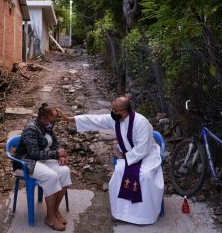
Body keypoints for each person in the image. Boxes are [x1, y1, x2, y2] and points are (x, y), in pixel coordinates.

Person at [59, 96, 164, 225]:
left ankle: (145, 216)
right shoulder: (115, 118)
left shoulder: (141, 122)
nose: (112, 113)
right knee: (119, 173)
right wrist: (70, 119)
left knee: (145, 176)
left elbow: (144, 148)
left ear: (125, 112)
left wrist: (125, 156)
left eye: (115, 110)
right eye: (112, 109)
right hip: (127, 155)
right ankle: (122, 213)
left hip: (146, 156)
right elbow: (95, 119)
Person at [14, 103, 71, 231]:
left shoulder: (47, 126)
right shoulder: (31, 129)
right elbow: (33, 154)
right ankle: (50, 217)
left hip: (41, 161)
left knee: (65, 171)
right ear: (44, 117)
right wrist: (56, 154)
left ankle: (55, 211)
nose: (55, 122)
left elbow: (55, 143)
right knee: (51, 176)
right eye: (53, 119)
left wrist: (60, 155)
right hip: (26, 163)